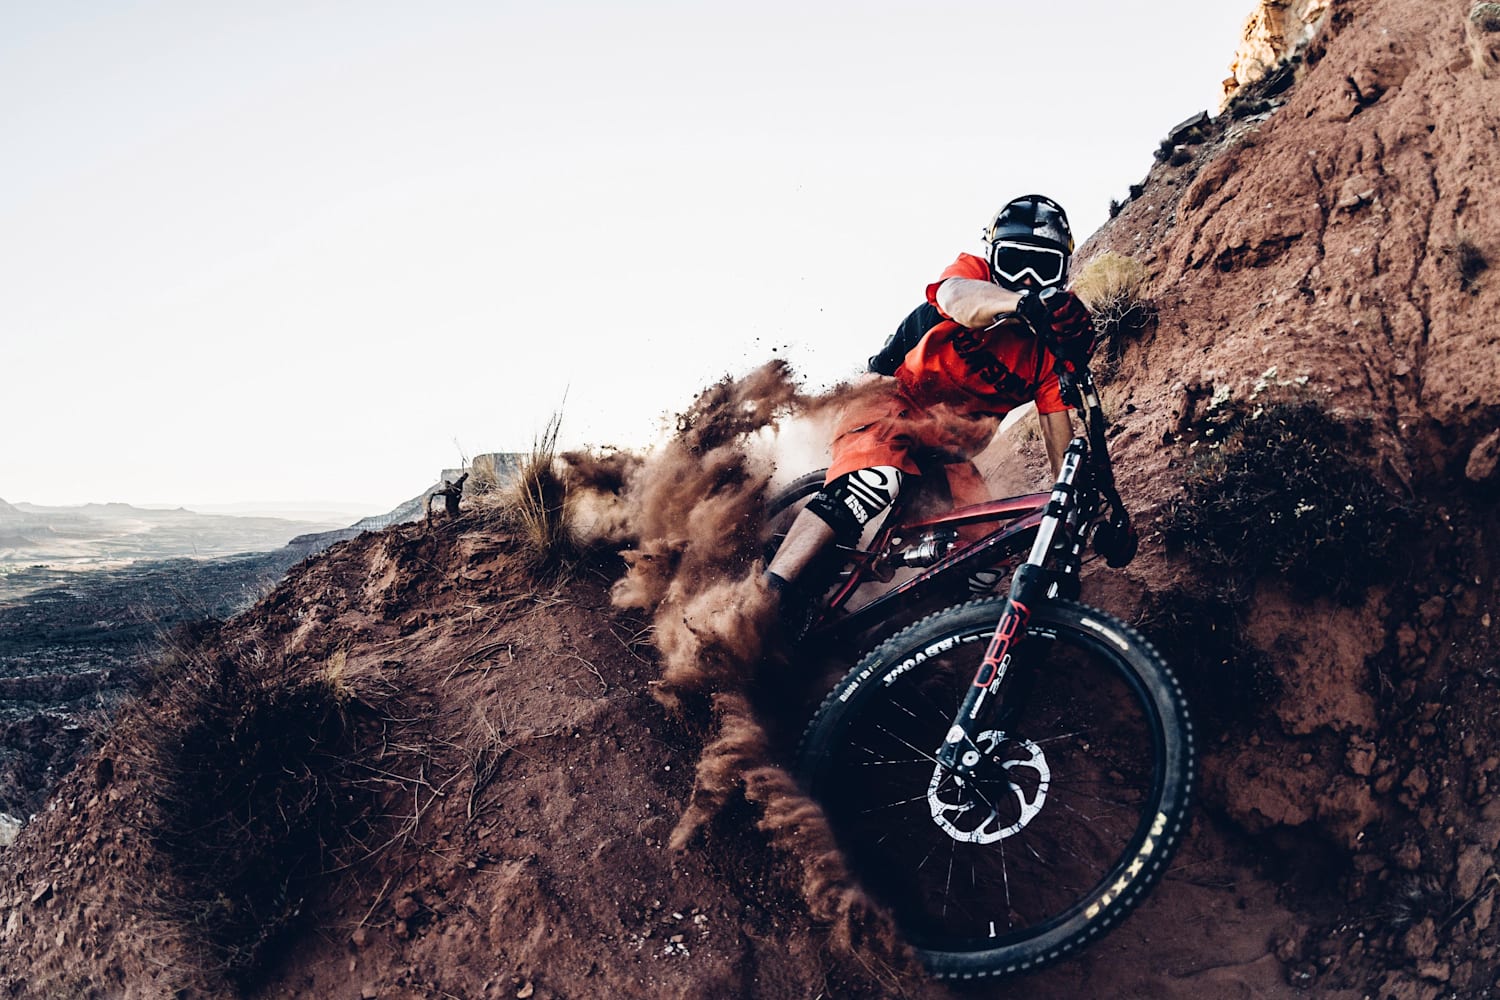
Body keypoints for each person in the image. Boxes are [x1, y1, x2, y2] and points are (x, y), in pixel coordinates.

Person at [766, 194, 1097, 596]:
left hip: (950, 452)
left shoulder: (1048, 346)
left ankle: (913, 637)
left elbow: (1058, 443)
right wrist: (1023, 305)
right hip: (890, 402)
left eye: (1043, 267)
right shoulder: (972, 274)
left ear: (1062, 272)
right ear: (992, 259)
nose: (1027, 278)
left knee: (987, 561)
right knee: (873, 482)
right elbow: (958, 299)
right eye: (1014, 263)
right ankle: (768, 595)